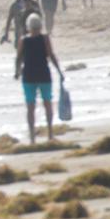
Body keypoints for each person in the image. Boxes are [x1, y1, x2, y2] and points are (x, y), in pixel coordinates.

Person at [15, 14, 64, 145]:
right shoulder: (45, 39)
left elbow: (18, 58)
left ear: (28, 27)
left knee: (30, 107)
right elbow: (51, 55)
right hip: (43, 75)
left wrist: (17, 72)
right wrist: (59, 71)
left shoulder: (23, 40)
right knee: (47, 104)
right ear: (40, 26)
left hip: (29, 76)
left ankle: (32, 138)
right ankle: (50, 134)